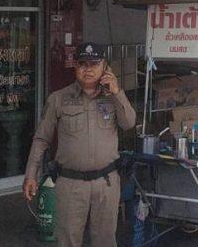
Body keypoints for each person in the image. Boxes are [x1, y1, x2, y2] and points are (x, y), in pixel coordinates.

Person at [22, 43, 136, 247]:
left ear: (105, 66)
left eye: (94, 64)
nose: (88, 69)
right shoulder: (58, 99)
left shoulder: (113, 97)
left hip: (106, 183)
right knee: (68, 240)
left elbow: (129, 123)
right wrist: (31, 174)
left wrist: (117, 92)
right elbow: (41, 139)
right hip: (70, 184)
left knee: (105, 241)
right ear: (75, 66)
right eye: (83, 64)